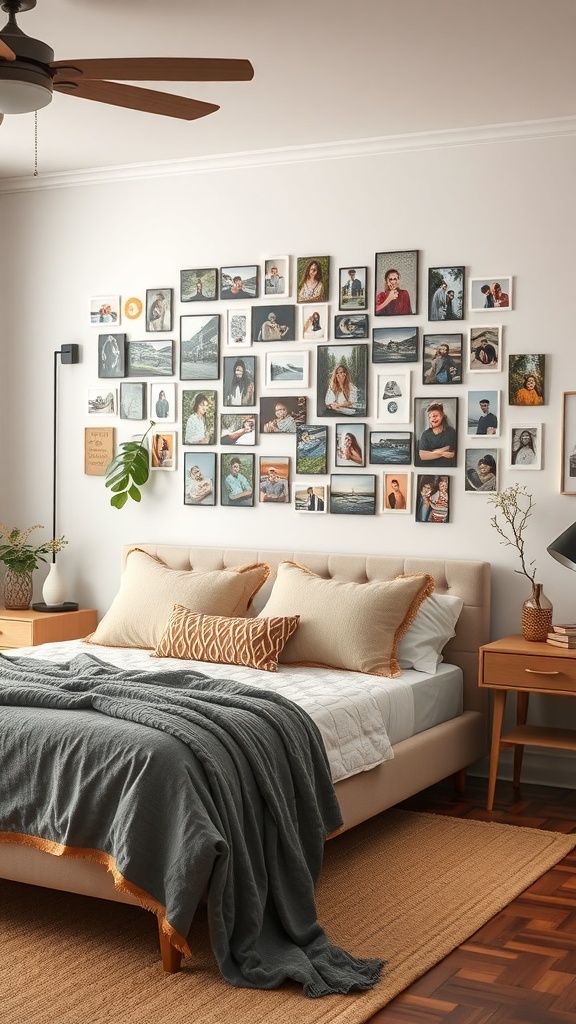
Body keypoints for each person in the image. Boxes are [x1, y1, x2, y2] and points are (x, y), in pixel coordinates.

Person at [417, 402, 457, 467]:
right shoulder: (425, 434)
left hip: (448, 468)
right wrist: (443, 453)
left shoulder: (450, 431)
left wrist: (432, 452)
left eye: (435, 416)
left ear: (442, 416)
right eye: (430, 417)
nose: (433, 419)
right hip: (429, 468)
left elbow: (449, 451)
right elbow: (423, 456)